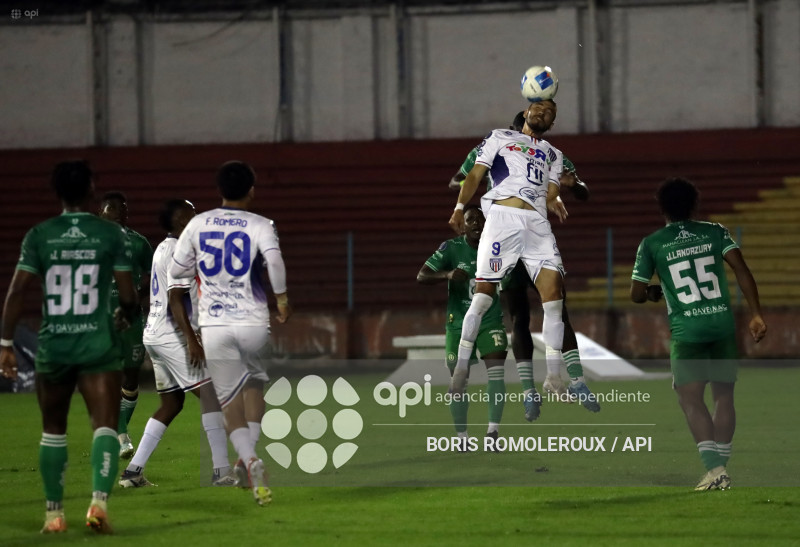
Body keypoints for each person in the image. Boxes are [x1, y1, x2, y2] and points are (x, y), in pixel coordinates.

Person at [0, 160, 138, 533]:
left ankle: (54, 515)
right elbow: (128, 295)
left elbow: (17, 292)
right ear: (91, 190)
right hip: (97, 345)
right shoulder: (111, 234)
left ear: (57, 192)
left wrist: (6, 344)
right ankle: (98, 505)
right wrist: (125, 314)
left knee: (53, 430)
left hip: (54, 345)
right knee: (105, 427)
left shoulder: (40, 235)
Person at [449, 112, 599, 418]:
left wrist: (571, 185)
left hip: (533, 230)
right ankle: (530, 391)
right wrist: (488, 183)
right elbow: (457, 180)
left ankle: (576, 380)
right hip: (504, 230)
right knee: (518, 315)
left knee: (557, 306)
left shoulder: (550, 154)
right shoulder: (497, 144)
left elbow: (581, 188)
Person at [630, 177, 767, 490]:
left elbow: (636, 294)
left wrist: (652, 292)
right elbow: (742, 269)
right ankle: (721, 467)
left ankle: (715, 470)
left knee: (690, 398)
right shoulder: (715, 232)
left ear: (662, 207)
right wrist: (756, 313)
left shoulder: (652, 243)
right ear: (695, 204)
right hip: (721, 325)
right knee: (724, 396)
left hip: (687, 331)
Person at [170, 161, 291, 506]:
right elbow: (274, 262)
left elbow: (177, 270)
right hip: (253, 322)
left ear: (219, 190)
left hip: (216, 324)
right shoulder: (261, 224)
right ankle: (245, 459)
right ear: (251, 190)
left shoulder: (198, 223)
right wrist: (282, 300)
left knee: (228, 401)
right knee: (254, 385)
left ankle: (249, 460)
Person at [119, 199, 236, 488]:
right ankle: (221, 472)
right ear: (181, 220)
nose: (197, 217)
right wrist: (191, 340)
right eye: (192, 213)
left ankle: (133, 473)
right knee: (211, 397)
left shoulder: (162, 247)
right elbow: (175, 298)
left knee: (171, 404)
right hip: (172, 335)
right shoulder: (179, 250)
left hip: (155, 333)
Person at [417, 204, 508, 448]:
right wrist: (446, 275)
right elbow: (422, 275)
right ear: (462, 226)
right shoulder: (451, 248)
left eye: (481, 219)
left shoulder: (499, 247)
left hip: (490, 320)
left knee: (496, 372)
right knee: (459, 381)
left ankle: (492, 433)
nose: (477, 223)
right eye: (470, 220)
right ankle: (462, 439)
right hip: (457, 323)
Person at [99, 191, 154, 459]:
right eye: (113, 208)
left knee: (131, 379)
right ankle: (122, 437)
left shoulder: (139, 243)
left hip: (132, 321)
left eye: (124, 208)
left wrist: (133, 299)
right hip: (101, 320)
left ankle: (117, 432)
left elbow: (154, 278)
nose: (120, 212)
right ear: (100, 213)